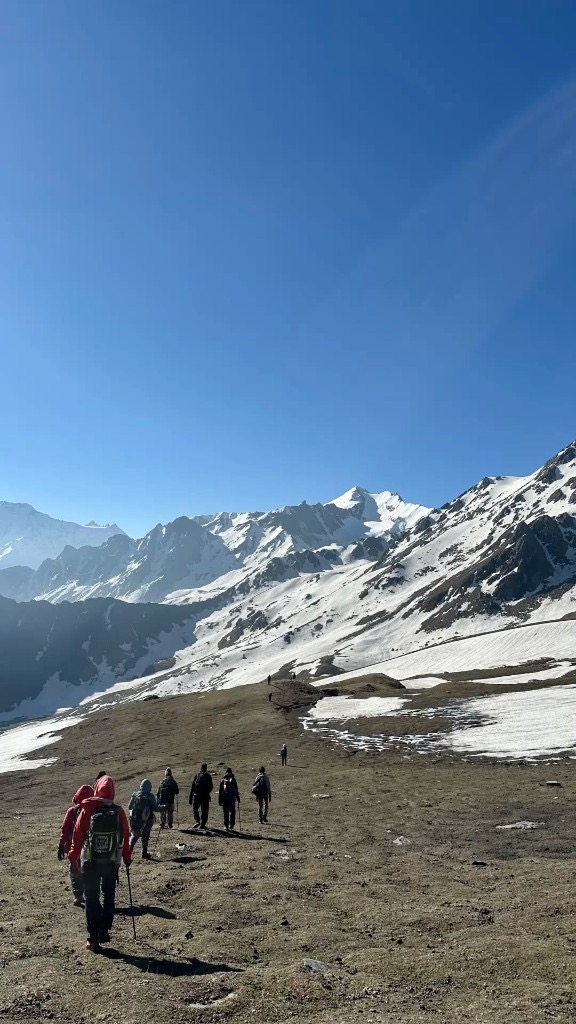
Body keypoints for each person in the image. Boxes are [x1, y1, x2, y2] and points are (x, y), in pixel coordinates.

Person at [67, 774, 131, 952]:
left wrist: (73, 858)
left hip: (90, 861)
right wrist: (126, 856)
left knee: (92, 898)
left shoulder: (87, 808)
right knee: (108, 895)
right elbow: (126, 836)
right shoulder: (118, 811)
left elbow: (77, 836)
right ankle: (104, 928)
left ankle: (92, 939)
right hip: (111, 862)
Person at [58, 784, 94, 907]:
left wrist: (61, 845)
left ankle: (78, 896)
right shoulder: (94, 810)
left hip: (73, 847)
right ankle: (90, 895)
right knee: (88, 871)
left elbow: (65, 829)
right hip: (89, 847)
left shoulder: (72, 811)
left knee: (75, 871)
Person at [128, 779, 162, 859]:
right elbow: (156, 808)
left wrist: (134, 815)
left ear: (141, 786)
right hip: (147, 820)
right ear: (149, 787)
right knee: (145, 836)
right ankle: (144, 853)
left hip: (136, 819)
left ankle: (128, 852)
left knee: (135, 835)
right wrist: (165, 807)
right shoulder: (150, 796)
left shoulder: (135, 795)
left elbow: (130, 807)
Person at [188, 763, 214, 829]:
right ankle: (202, 824)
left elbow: (193, 787)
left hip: (197, 796)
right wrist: (207, 792)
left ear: (201, 768)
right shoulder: (208, 776)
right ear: (206, 768)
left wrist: (190, 797)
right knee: (205, 810)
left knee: (195, 809)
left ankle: (197, 821)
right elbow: (211, 787)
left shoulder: (197, 775)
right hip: (205, 796)